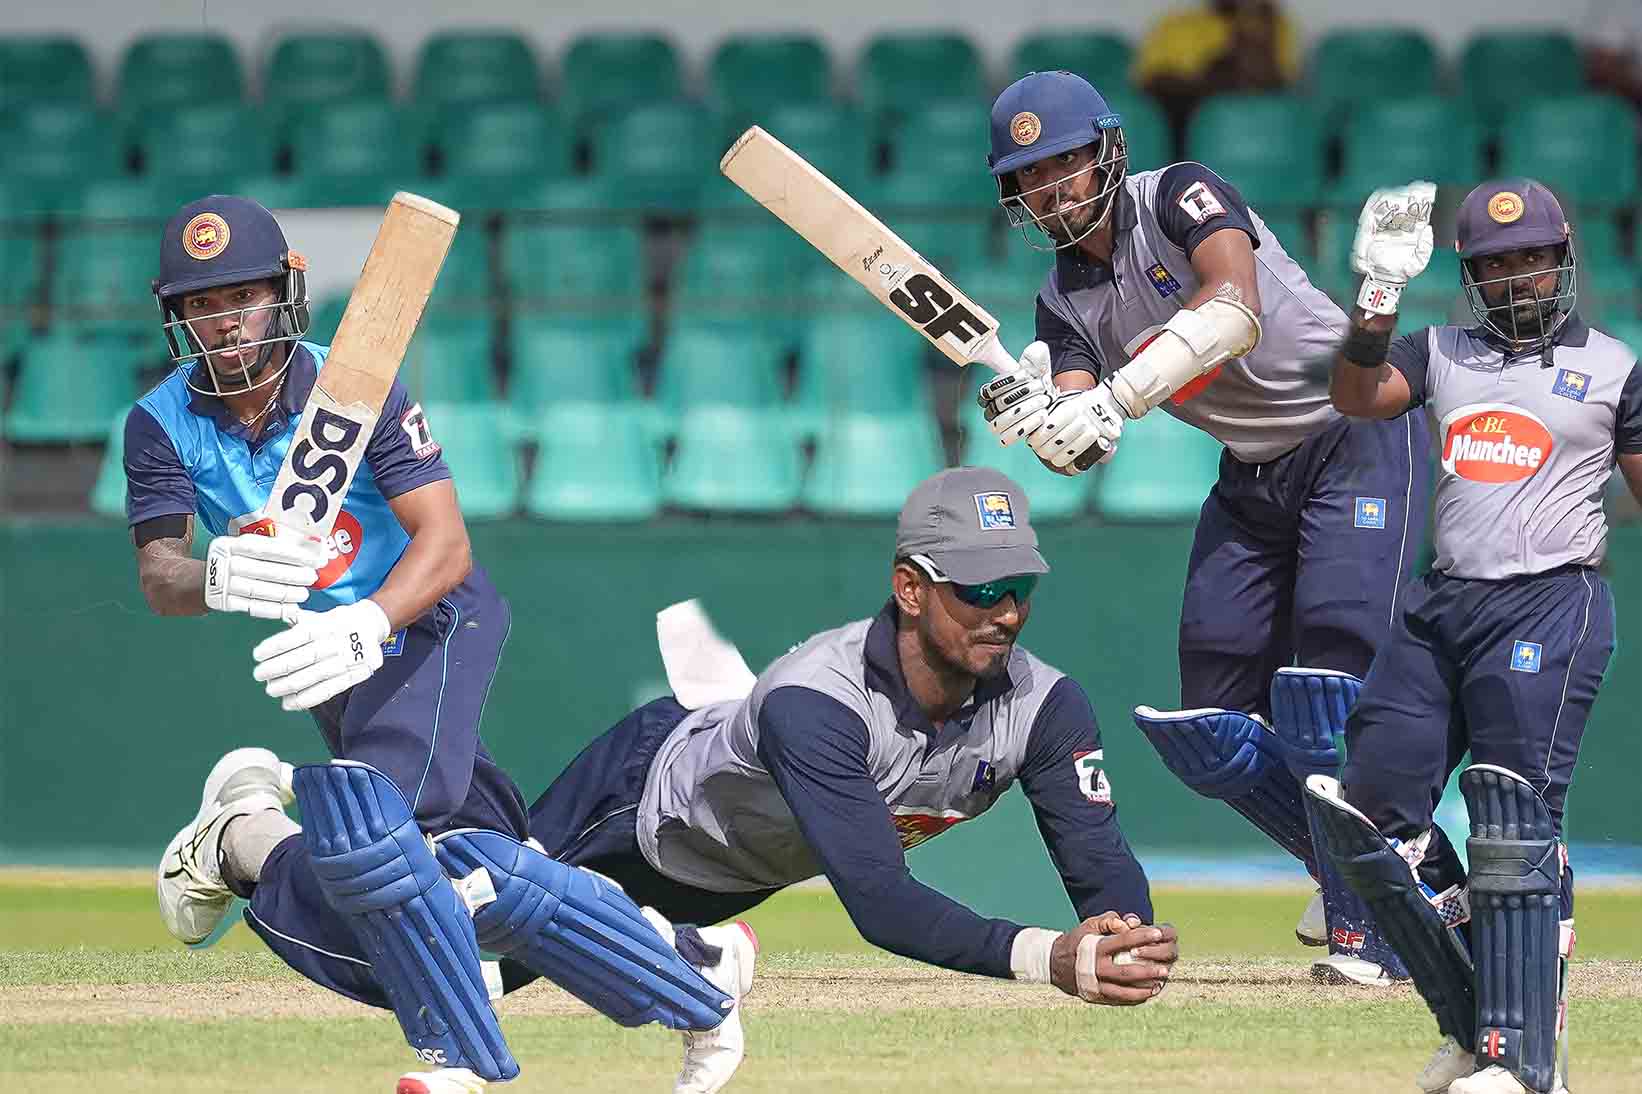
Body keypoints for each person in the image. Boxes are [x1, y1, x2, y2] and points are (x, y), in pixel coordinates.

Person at [131, 195, 753, 1094]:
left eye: (243, 297)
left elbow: (448, 545)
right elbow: (161, 576)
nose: (225, 322)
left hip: (429, 618)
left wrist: (370, 621)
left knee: (376, 837)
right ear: (177, 316)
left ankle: (450, 1050)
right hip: (322, 658)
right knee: (480, 871)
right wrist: (216, 576)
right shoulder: (159, 422)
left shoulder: (355, 388)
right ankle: (690, 965)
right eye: (203, 305)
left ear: (283, 294)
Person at [974, 69, 1434, 987]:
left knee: (1328, 682)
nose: (1050, 188)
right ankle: (1353, 865)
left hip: (1350, 437)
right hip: (1252, 474)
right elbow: (1081, 443)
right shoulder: (1061, 302)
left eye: (1063, 163)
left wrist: (1112, 398)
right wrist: (1044, 419)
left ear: (1106, 152)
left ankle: (1374, 929)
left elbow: (1233, 307)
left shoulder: (1180, 194)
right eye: (1029, 176)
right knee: (1210, 730)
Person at [509, 467, 1180, 1005]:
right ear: (910, 589)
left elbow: (1097, 856)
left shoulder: (1048, 707)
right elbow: (879, 901)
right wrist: (1048, 957)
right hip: (642, 810)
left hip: (744, 874)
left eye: (1019, 587)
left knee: (566, 963)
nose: (1005, 614)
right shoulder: (815, 704)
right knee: (479, 947)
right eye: (981, 590)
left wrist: (1124, 937)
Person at [1307, 177, 1642, 1094]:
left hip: (1551, 602)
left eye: (1532, 258)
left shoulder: (1615, 366)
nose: (1516, 276)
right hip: (1443, 604)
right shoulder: (1440, 350)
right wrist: (1376, 298)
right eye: (1496, 264)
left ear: (1562, 261)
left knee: (1516, 825)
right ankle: (1477, 1019)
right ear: (1469, 276)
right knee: (1371, 807)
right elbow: (1356, 396)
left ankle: (1526, 1058)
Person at [1132, 0, 1299, 148]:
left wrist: (1253, 31)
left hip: (1255, 126)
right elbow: (1151, 83)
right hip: (1183, 122)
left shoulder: (1271, 22)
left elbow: (1279, 86)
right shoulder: (1175, 26)